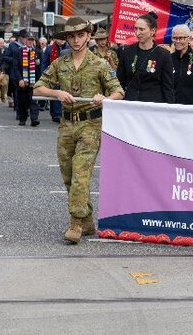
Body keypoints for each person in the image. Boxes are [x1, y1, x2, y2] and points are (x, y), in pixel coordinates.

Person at [33, 17, 124, 244]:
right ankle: (87, 219)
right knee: (68, 175)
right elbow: (39, 86)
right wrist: (57, 93)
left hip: (90, 125)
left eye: (80, 35)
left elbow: (118, 91)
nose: (76, 40)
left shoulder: (100, 64)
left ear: (89, 36)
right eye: (71, 36)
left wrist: (103, 98)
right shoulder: (60, 64)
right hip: (66, 125)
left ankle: (75, 223)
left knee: (81, 174)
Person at [117, 13, 175, 103]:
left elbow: (168, 87)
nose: (137, 32)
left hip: (152, 107)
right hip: (130, 106)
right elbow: (119, 81)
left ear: (153, 31)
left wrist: (169, 110)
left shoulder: (163, 55)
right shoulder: (127, 51)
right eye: (136, 28)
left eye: (141, 29)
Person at [9, 34, 42, 126]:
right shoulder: (18, 51)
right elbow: (15, 67)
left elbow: (40, 68)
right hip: (22, 80)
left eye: (32, 40)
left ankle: (34, 119)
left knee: (33, 100)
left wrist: (39, 81)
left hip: (33, 80)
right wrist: (20, 79)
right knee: (22, 101)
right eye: (28, 40)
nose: (30, 41)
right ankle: (22, 118)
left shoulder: (38, 51)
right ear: (24, 41)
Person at [42, 35, 70, 123]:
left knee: (65, 93)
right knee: (55, 93)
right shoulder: (49, 49)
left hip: (67, 74)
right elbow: (44, 63)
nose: (62, 40)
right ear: (55, 39)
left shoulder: (70, 48)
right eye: (59, 38)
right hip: (53, 74)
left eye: (63, 39)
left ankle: (63, 113)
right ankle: (56, 114)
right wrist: (45, 75)